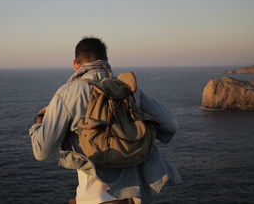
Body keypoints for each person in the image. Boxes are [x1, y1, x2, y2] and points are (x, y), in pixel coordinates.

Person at [29, 37, 182, 204]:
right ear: (106, 61)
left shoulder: (69, 92)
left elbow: (41, 151)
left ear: (75, 64)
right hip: (130, 198)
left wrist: (39, 121)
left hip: (93, 198)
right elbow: (170, 125)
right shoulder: (128, 89)